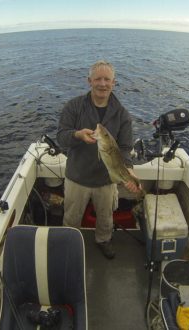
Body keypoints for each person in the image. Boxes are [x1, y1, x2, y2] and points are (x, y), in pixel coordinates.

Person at [56, 60, 141, 259]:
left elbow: (126, 148)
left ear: (114, 82)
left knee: (106, 217)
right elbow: (61, 137)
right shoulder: (74, 106)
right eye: (98, 79)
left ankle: (103, 240)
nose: (102, 83)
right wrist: (77, 135)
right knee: (71, 217)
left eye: (107, 79)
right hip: (78, 177)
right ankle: (68, 242)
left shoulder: (122, 115)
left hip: (106, 180)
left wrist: (129, 171)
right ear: (89, 81)